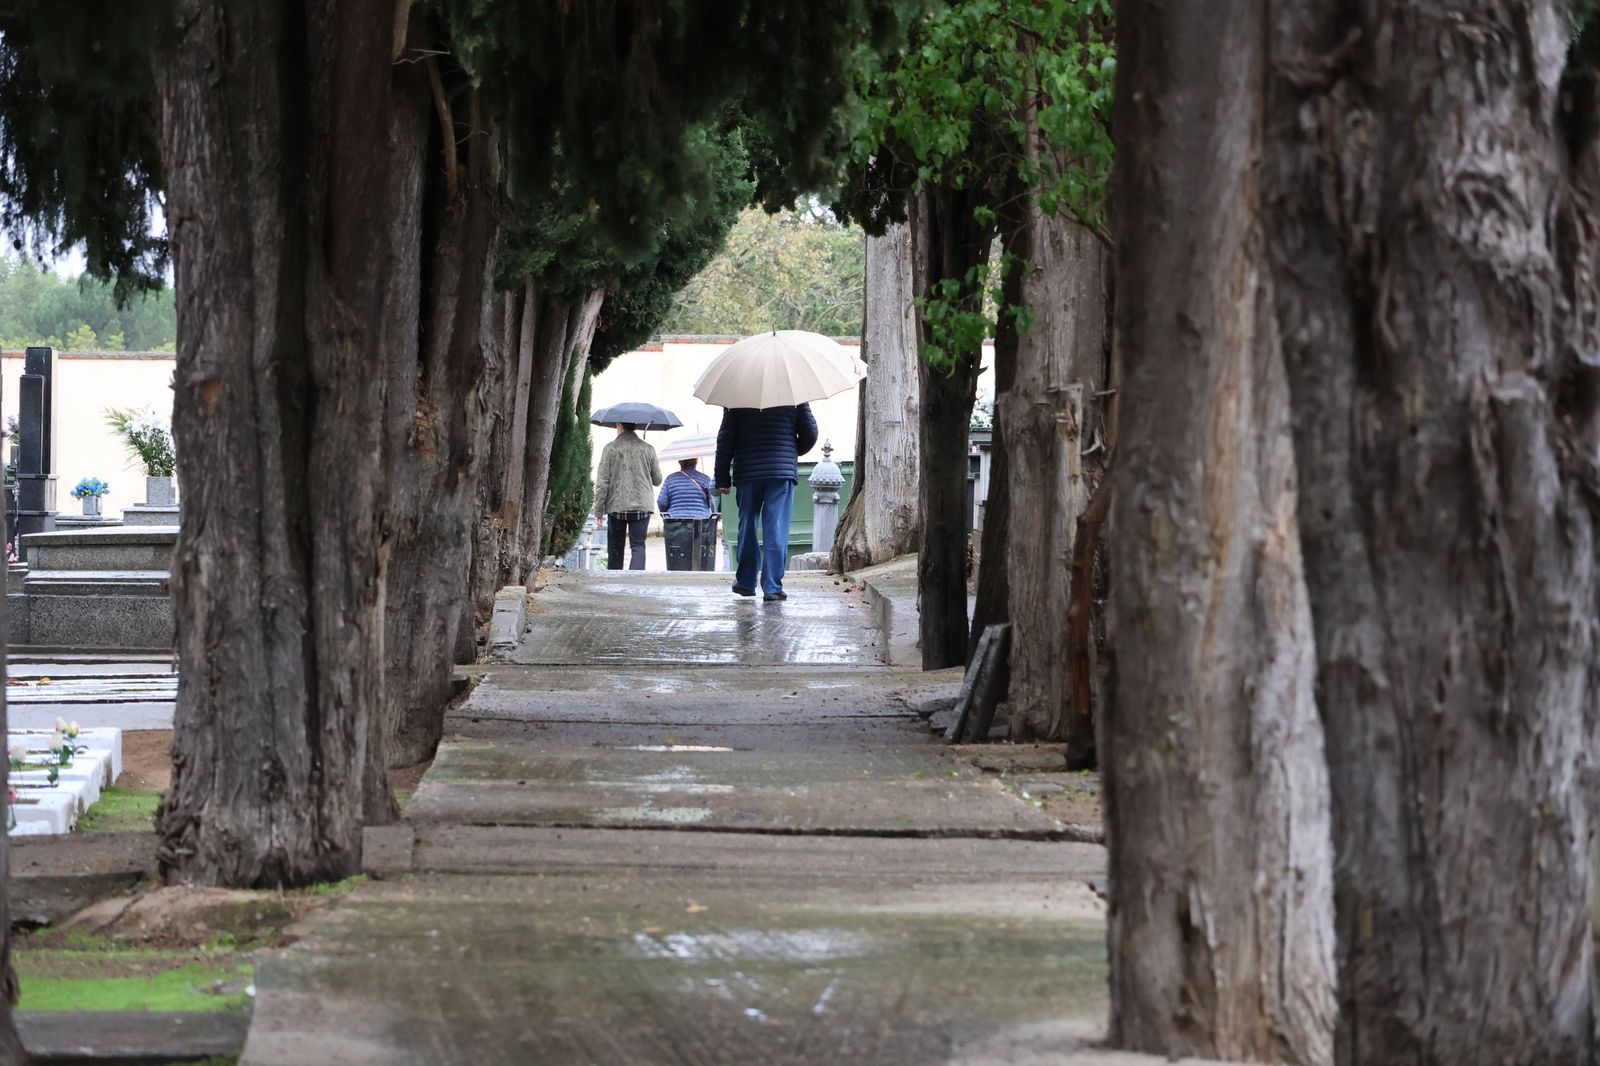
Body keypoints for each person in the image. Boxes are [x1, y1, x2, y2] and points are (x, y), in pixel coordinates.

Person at [714, 403, 818, 601]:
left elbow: (726, 438)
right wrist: (790, 450)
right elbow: (810, 434)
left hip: (748, 471)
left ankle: (745, 582)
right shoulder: (793, 392)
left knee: (747, 526)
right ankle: (772, 586)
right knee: (776, 527)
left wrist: (721, 478)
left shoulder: (736, 394)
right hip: (781, 472)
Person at [593, 422, 661, 570]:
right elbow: (657, 480)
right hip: (642, 505)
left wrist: (598, 510)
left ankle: (614, 583)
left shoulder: (610, 448)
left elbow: (602, 483)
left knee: (615, 548)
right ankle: (636, 581)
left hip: (616, 506)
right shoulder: (647, 448)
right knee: (638, 546)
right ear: (635, 426)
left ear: (619, 425)